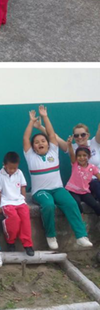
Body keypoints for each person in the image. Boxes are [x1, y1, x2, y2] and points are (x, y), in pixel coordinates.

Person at [24, 106, 93, 250]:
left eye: (43, 141)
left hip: (57, 189)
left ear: (48, 144)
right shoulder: (30, 156)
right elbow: (26, 138)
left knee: (70, 202)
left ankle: (81, 236)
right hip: (40, 192)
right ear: (33, 147)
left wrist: (45, 117)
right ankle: (51, 235)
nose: (40, 143)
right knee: (48, 205)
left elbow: (51, 134)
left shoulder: (53, 152)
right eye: (36, 142)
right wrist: (31, 122)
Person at [0, 151, 34, 256]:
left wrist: (24, 201)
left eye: (15, 168)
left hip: (19, 201)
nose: (13, 170)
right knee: (14, 219)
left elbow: (23, 187)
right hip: (6, 202)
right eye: (10, 168)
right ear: (4, 165)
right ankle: (10, 241)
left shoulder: (19, 173)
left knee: (25, 218)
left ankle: (27, 244)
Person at [65, 145, 100, 217]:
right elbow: (71, 154)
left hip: (84, 192)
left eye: (84, 155)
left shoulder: (92, 167)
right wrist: (70, 145)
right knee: (76, 202)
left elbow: (98, 176)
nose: (82, 158)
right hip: (73, 191)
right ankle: (81, 217)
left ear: (89, 156)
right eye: (79, 156)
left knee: (94, 204)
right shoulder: (75, 164)